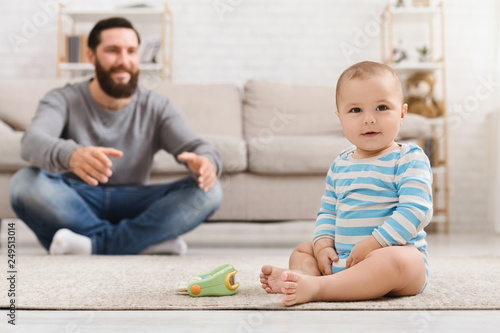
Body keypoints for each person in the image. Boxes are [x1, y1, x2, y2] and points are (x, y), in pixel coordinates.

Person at [9, 17, 223, 255]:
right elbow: (31, 141)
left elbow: (196, 146)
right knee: (24, 183)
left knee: (210, 191)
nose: (124, 61)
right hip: (78, 200)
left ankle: (93, 244)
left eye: (131, 51)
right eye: (113, 50)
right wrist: (71, 155)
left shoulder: (157, 106)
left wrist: (207, 162)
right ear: (91, 56)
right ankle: (140, 242)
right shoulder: (62, 99)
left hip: (135, 201)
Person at [260, 61, 432, 306]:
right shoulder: (340, 163)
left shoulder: (408, 158)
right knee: (303, 250)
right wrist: (322, 246)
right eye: (355, 111)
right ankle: (305, 279)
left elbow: (415, 211)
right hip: (342, 259)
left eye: (382, 107)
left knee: (401, 260)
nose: (369, 119)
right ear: (339, 117)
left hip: (391, 262)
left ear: (402, 113)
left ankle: (319, 288)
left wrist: (374, 244)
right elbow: (329, 211)